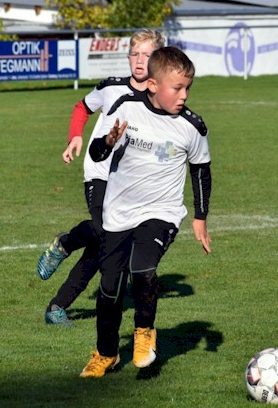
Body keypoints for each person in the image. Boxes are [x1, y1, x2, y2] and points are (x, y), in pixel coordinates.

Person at [79, 46, 212, 378]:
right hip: (119, 213)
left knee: (143, 268)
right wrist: (108, 142)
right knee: (110, 289)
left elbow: (200, 171)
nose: (183, 95)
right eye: (176, 88)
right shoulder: (124, 108)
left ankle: (144, 332)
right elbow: (96, 154)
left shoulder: (192, 126)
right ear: (153, 85)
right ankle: (107, 353)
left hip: (162, 212)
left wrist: (200, 217)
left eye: (187, 89)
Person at [36, 30, 166, 327]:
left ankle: (57, 306)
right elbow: (82, 107)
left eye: (146, 55)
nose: (139, 60)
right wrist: (75, 137)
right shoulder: (111, 87)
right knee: (103, 230)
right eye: (135, 54)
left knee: (103, 245)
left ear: (158, 58)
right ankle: (65, 243)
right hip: (99, 172)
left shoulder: (159, 99)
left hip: (129, 182)